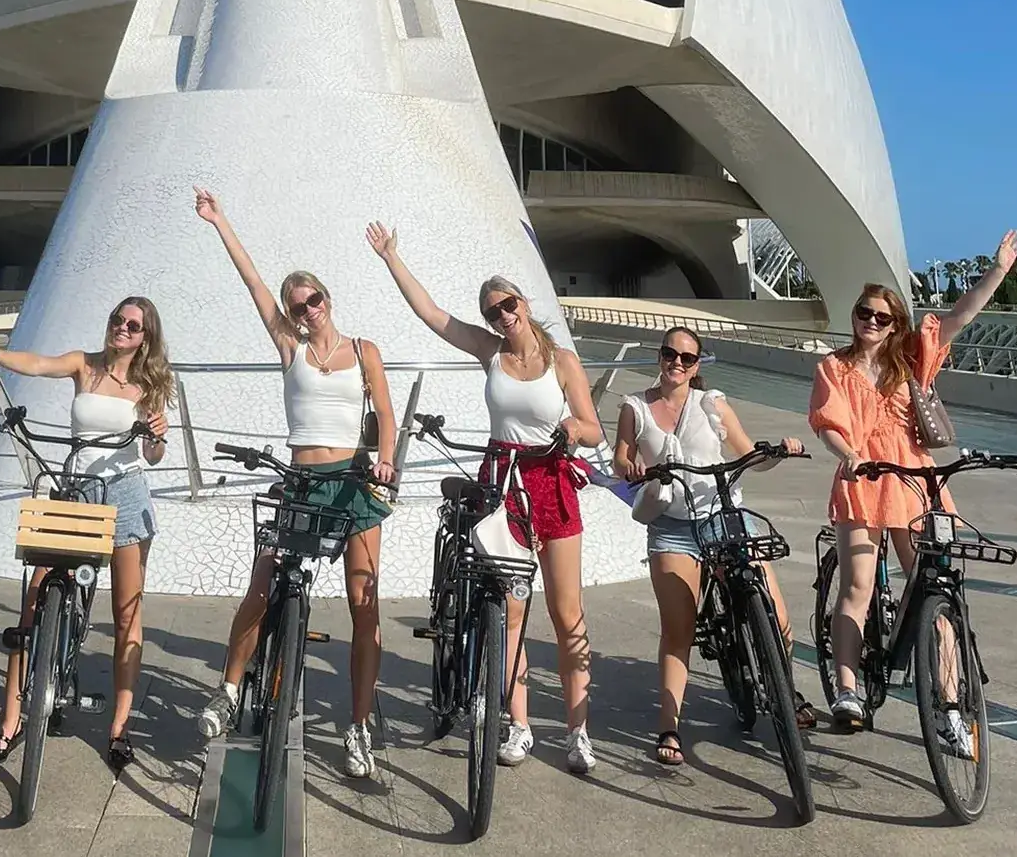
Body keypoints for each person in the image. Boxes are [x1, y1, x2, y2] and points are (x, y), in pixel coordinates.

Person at [366, 222, 602, 774]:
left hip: (552, 481)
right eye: (494, 310)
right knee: (511, 612)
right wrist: (391, 258)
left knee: (569, 614)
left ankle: (578, 731)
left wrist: (572, 426)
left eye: (508, 304)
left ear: (523, 302)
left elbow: (593, 426)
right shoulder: (490, 351)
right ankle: (518, 726)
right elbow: (433, 315)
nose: (502, 315)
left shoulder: (562, 361)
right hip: (503, 482)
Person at [195, 189, 398, 781]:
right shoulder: (291, 348)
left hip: (354, 482)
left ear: (327, 300)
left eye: (310, 301)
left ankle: (357, 727)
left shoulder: (365, 351)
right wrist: (220, 220)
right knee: (261, 586)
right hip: (301, 479)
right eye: (295, 305)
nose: (304, 310)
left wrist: (384, 462)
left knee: (366, 605)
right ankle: (229, 691)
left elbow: (386, 415)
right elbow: (253, 282)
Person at [811, 230, 1017, 737]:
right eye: (864, 313)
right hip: (865, 481)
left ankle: (950, 705)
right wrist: (852, 458)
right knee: (857, 586)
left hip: (916, 484)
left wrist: (997, 270)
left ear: (895, 325)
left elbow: (960, 317)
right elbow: (829, 425)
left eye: (881, 317)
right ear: (855, 315)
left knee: (935, 590)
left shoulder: (910, 357)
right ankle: (847, 689)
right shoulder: (834, 368)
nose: (870, 322)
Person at [0, 298, 173, 771]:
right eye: (117, 320)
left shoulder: (150, 385)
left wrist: (156, 436)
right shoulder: (85, 365)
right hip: (75, 491)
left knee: (126, 616)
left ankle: (119, 729)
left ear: (145, 337)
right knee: (33, 604)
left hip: (124, 495)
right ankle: (10, 723)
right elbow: (39, 364)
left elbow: (154, 454)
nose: (122, 328)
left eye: (133, 325)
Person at [613, 326, 813, 766]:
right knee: (678, 630)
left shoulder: (712, 403)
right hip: (672, 527)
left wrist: (778, 451)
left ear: (697, 365)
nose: (677, 364)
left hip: (725, 518)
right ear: (660, 356)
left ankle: (784, 688)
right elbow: (620, 457)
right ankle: (670, 726)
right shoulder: (635, 407)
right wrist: (632, 467)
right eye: (671, 354)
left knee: (777, 616)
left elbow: (746, 453)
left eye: (687, 358)